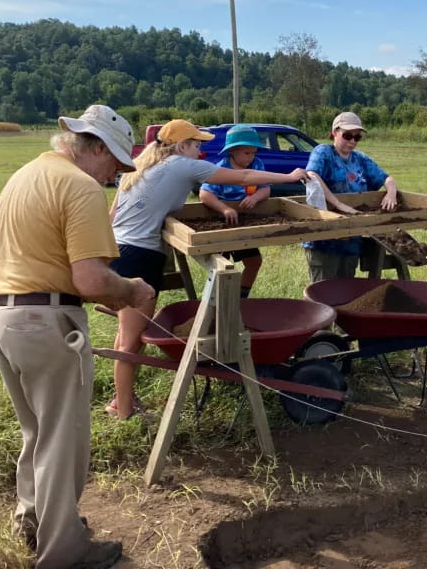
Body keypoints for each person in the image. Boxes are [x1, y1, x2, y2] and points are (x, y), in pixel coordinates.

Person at [0, 104, 155, 569]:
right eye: (113, 163)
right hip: (45, 324)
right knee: (64, 438)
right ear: (95, 147)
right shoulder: (79, 186)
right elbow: (93, 282)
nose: (112, 175)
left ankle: (34, 518)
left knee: (37, 431)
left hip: (2, 316)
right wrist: (132, 290)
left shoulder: (28, 174)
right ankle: (65, 552)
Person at [107, 119, 310, 419]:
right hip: (139, 256)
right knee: (132, 340)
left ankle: (120, 398)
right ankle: (123, 410)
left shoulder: (144, 165)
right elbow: (243, 175)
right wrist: (291, 176)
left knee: (127, 333)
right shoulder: (180, 165)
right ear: (182, 146)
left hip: (121, 250)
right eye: (197, 144)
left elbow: (112, 214)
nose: (200, 150)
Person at [303, 111, 398, 282]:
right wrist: (338, 204)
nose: (352, 141)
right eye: (347, 136)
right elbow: (312, 175)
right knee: (322, 293)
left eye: (357, 137)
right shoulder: (323, 152)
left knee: (346, 290)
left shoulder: (360, 159)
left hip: (351, 238)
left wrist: (391, 194)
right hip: (325, 237)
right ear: (334, 132)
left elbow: (387, 178)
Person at [198, 124, 272, 299]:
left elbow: (266, 189)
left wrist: (255, 198)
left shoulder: (257, 164)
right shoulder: (221, 168)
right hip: (222, 223)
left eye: (254, 152)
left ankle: (240, 297)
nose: (251, 157)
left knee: (254, 262)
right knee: (221, 267)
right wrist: (224, 209)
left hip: (245, 223)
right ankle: (215, 300)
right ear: (232, 151)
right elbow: (204, 194)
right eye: (247, 153)